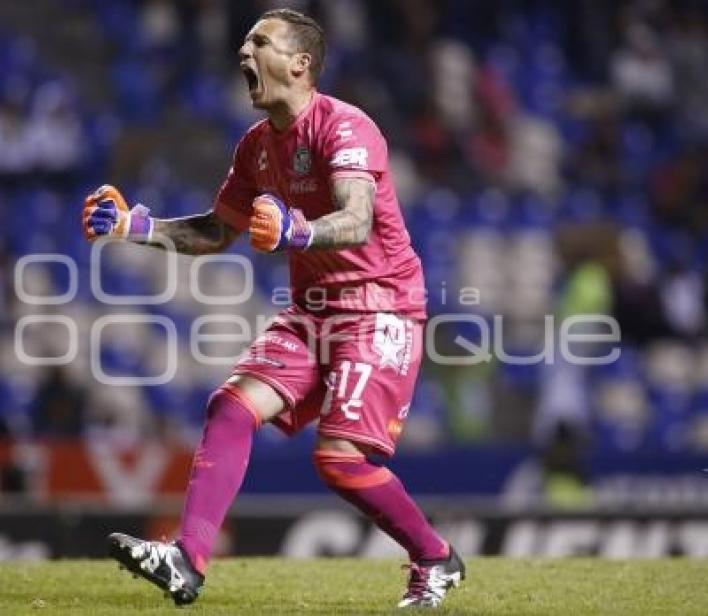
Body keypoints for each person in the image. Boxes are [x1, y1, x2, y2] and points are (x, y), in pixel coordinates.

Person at [81, 8, 464, 609]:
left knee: (338, 461)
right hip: (314, 307)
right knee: (231, 406)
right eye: (244, 39)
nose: (243, 50)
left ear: (299, 63)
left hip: (379, 306)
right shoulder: (257, 148)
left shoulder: (345, 127)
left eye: (260, 41)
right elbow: (215, 231)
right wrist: (136, 225)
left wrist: (300, 231)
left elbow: (357, 217)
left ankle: (435, 557)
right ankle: (188, 560)